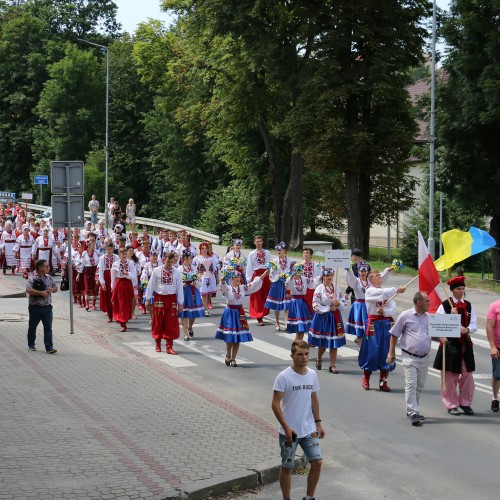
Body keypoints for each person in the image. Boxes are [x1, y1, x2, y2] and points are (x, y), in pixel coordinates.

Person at [272, 339, 325, 500]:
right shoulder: (283, 377)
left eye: (307, 354)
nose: (304, 357)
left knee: (317, 462)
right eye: (300, 354)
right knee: (288, 466)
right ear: (292, 356)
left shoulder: (312, 374)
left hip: (309, 428)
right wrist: (286, 427)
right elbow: (275, 404)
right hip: (290, 431)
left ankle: (309, 497)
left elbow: (313, 398)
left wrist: (318, 423)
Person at [433, 276, 477, 416]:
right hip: (450, 345)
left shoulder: (468, 305)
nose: (461, 291)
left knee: (467, 375)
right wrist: (450, 317)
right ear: (452, 290)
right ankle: (451, 404)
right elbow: (438, 325)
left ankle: (465, 402)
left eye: (463, 289)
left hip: (465, 345)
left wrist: (467, 329)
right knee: (449, 376)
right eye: (458, 289)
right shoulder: (445, 305)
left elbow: (474, 324)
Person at [387, 292, 432, 426]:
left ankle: (414, 409)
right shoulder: (405, 315)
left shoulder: (429, 317)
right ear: (419, 302)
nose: (429, 303)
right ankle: (413, 412)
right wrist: (391, 353)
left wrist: (442, 338)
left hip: (424, 357)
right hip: (409, 356)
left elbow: (433, 334)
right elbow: (394, 335)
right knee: (411, 384)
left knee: (419, 385)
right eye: (427, 301)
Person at [359, 269, 406, 391]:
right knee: (372, 351)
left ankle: (383, 380)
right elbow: (383, 294)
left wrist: (384, 311)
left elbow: (392, 308)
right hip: (374, 325)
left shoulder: (386, 294)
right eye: (376, 276)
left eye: (380, 275)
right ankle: (366, 377)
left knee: (386, 351)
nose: (380, 276)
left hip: (385, 324)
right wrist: (396, 289)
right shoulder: (370, 291)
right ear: (371, 279)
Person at [216, 268, 268, 367]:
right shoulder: (228, 288)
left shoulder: (243, 288)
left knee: (238, 336)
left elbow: (253, 284)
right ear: (230, 279)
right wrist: (223, 279)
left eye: (239, 277)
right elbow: (222, 285)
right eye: (235, 277)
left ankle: (233, 358)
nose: (237, 279)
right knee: (230, 335)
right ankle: (228, 354)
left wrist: (263, 276)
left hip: (239, 312)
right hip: (230, 312)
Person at [308, 269, 347, 373]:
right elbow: (315, 305)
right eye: (327, 275)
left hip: (335, 317)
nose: (329, 277)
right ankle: (319, 358)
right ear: (323, 277)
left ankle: (332, 365)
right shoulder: (319, 289)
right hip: (323, 317)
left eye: (331, 275)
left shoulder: (337, 288)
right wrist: (328, 308)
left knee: (334, 342)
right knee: (323, 342)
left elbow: (344, 303)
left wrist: (338, 304)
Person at [145, 252, 184, 354]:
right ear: (163, 260)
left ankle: (169, 346)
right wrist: (148, 299)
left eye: (171, 262)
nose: (169, 264)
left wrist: (180, 302)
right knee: (158, 321)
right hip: (159, 298)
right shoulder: (156, 271)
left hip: (171, 299)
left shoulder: (176, 273)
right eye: (168, 261)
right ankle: (157, 343)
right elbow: (151, 285)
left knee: (170, 323)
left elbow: (180, 288)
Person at [26, 259, 58, 354]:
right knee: (33, 326)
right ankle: (31, 343)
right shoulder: (32, 277)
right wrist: (41, 293)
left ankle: (49, 347)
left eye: (48, 266)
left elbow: (56, 288)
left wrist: (52, 290)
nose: (48, 268)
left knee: (48, 327)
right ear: (40, 268)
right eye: (46, 266)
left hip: (47, 307)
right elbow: (28, 290)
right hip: (35, 307)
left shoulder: (49, 277)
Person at [265, 241, 295, 331]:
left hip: (286, 283)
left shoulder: (290, 261)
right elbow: (271, 273)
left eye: (280, 250)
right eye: (277, 250)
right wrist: (278, 276)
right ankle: (277, 322)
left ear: (284, 250)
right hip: (277, 283)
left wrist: (287, 277)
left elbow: (292, 272)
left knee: (286, 303)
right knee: (276, 304)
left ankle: (286, 322)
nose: (278, 252)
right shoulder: (274, 261)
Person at [246, 235, 271, 325]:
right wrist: (249, 280)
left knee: (265, 295)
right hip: (256, 275)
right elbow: (249, 266)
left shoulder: (267, 252)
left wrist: (271, 276)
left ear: (262, 242)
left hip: (266, 274)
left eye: (260, 241)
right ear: (254, 242)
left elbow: (270, 265)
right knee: (257, 296)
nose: (259, 243)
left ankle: (263, 313)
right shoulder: (252, 254)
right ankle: (259, 316)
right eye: (257, 241)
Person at [111, 247, 137, 332]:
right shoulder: (115, 264)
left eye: (125, 254)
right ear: (119, 255)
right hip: (119, 284)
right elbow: (113, 277)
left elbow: (134, 275)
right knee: (120, 303)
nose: (124, 255)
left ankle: (124, 319)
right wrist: (112, 287)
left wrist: (128, 274)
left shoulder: (130, 263)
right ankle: (123, 322)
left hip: (127, 284)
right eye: (122, 254)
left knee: (127, 303)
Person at [179, 250, 204, 340]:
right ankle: (185, 333)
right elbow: (177, 281)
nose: (192, 260)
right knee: (184, 313)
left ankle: (190, 326)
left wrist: (195, 282)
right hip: (184, 291)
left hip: (193, 290)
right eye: (190, 258)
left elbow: (199, 278)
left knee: (193, 313)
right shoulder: (179, 269)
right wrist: (182, 284)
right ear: (185, 258)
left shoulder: (193, 268)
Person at [98, 243, 118, 322]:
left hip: (114, 277)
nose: (109, 251)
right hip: (106, 277)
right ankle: (110, 315)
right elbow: (100, 271)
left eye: (110, 249)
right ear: (105, 249)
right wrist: (102, 283)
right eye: (107, 249)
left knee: (115, 297)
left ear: (113, 249)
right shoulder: (102, 258)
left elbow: (117, 269)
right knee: (107, 297)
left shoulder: (116, 257)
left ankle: (116, 314)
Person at [486, 298, 500, 412]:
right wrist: (492, 346)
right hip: (498, 346)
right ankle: (495, 398)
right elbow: (489, 327)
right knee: (498, 375)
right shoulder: (495, 306)